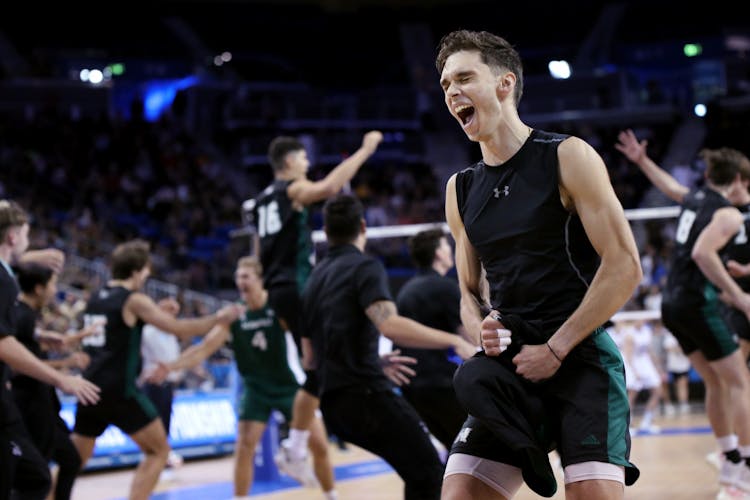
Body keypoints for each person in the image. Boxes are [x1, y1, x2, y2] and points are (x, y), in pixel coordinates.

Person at [436, 30, 642, 499]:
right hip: (515, 366)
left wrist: (556, 348)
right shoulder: (460, 189)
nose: (451, 92)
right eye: (446, 84)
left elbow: (625, 265)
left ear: (504, 83)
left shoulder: (567, 156)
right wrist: (480, 327)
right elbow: (467, 290)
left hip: (580, 358)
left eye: (464, 78)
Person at [302, 193, 477, 500]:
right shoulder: (364, 267)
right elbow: (389, 325)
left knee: (419, 471)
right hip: (366, 395)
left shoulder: (313, 279)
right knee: (429, 472)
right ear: (363, 227)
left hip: (332, 404)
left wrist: (372, 359)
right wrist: (453, 340)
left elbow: (310, 358)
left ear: (326, 232)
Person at [243, 130, 383, 484]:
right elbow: (329, 188)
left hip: (278, 292)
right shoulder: (291, 190)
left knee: (314, 368)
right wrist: (365, 149)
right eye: (304, 158)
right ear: (290, 161)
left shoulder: (259, 202)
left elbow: (258, 253)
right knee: (328, 359)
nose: (307, 164)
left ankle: (296, 445)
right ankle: (297, 445)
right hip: (297, 287)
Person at [616, 130, 750, 494]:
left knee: (716, 381)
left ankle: (729, 460)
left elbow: (671, 187)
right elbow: (702, 254)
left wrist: (642, 161)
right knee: (740, 381)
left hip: (672, 305)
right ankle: (746, 466)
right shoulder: (729, 214)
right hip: (697, 302)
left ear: (709, 176)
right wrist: (739, 296)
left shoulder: (696, 199)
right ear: (738, 180)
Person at [148, 256, 337, 499]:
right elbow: (204, 348)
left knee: (319, 445)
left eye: (246, 276)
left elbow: (307, 331)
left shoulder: (278, 307)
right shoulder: (235, 314)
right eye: (238, 277)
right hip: (256, 389)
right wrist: (171, 366)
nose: (240, 281)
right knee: (245, 446)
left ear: (260, 280)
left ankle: (331, 494)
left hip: (290, 386)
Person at [69, 239, 242, 500]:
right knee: (159, 451)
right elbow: (179, 329)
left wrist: (155, 310)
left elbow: (120, 325)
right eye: (146, 271)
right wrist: (218, 318)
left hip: (89, 389)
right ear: (137, 271)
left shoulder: (97, 297)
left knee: (72, 464)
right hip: (119, 391)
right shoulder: (134, 299)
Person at [0, 200, 100, 500]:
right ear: (13, 236)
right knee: (35, 477)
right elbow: (3, 343)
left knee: (36, 476)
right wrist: (62, 377)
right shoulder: (5, 282)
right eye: (26, 234)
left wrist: (41, 336)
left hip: (14, 400)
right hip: (19, 399)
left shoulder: (8, 278)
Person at [11, 263, 92, 500]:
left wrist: (78, 338)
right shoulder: (22, 316)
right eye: (53, 284)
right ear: (39, 288)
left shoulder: (27, 315)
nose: (55, 290)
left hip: (43, 403)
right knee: (37, 477)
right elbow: (20, 365)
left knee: (69, 460)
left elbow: (33, 351)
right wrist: (65, 367)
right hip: (30, 404)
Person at [393, 228, 473, 454]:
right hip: (441, 383)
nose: (450, 250)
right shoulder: (446, 288)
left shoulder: (405, 290)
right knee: (473, 449)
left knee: (453, 449)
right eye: (446, 246)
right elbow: (470, 337)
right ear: (438, 253)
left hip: (411, 387)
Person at [138, 297, 185, 476]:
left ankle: (164, 455)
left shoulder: (170, 334)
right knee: (153, 422)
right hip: (152, 383)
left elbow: (173, 357)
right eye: (169, 311)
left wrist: (176, 376)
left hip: (168, 384)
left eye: (175, 312)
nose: (173, 315)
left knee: (166, 420)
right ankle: (151, 455)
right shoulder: (148, 331)